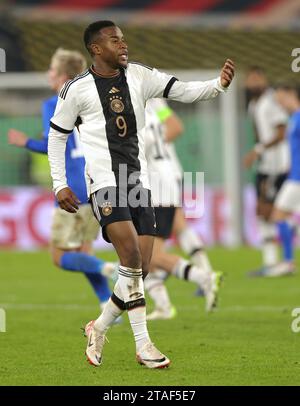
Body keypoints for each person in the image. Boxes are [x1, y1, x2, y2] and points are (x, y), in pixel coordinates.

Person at [47, 20, 234, 369]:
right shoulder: (76, 90)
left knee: (141, 268)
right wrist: (59, 184)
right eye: (114, 40)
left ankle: (99, 327)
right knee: (130, 254)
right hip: (104, 182)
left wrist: (217, 85)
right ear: (96, 49)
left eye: (124, 39)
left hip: (139, 181)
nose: (123, 44)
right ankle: (144, 344)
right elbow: (56, 137)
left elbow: (181, 90)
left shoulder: (140, 75)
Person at [7, 48, 115, 310]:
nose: (48, 75)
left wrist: (25, 142)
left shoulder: (54, 103)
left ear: (64, 77)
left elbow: (50, 144)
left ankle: (111, 268)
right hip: (96, 186)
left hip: (70, 189)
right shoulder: (93, 103)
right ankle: (106, 303)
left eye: (52, 71)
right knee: (84, 251)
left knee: (59, 257)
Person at [143, 98, 219, 320]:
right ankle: (165, 305)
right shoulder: (150, 105)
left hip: (157, 182)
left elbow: (175, 127)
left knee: (148, 255)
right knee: (175, 231)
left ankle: (203, 276)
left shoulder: (148, 103)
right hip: (164, 177)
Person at [243, 67, 290, 277]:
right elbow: (258, 134)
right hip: (264, 165)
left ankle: (277, 263)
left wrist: (259, 150)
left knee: (269, 211)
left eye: (256, 78)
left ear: (264, 79)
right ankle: (273, 262)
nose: (253, 83)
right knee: (264, 212)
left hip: (277, 165)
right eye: (250, 79)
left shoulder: (271, 101)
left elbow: (282, 132)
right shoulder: (253, 104)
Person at [268, 85, 300, 276]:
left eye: (281, 99)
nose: (280, 103)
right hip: (293, 175)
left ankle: (288, 262)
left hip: (298, 178)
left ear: (291, 95)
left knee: (278, 215)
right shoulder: (293, 119)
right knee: (281, 216)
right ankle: (287, 261)